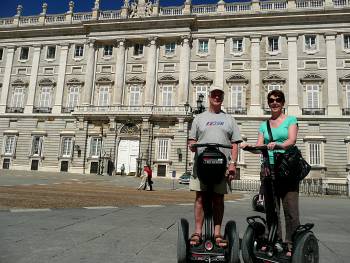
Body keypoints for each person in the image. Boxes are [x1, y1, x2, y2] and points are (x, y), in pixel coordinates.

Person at [241, 89, 299, 257]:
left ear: (283, 103)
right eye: (271, 100)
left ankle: (291, 244)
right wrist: (248, 147)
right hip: (268, 171)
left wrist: (278, 145)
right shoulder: (264, 125)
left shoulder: (291, 120)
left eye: (278, 100)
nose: (275, 102)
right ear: (268, 103)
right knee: (272, 211)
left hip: (287, 171)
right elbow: (261, 147)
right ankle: (274, 240)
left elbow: (291, 141)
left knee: (290, 211)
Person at [188, 86, 242, 248]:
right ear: (209, 97)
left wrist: (233, 164)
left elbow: (234, 144)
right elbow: (192, 140)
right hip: (202, 165)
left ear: (223, 98)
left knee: (218, 199)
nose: (217, 97)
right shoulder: (199, 118)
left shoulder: (229, 119)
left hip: (222, 165)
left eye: (220, 95)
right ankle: (198, 231)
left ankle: (217, 232)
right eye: (214, 95)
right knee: (200, 198)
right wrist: (192, 145)